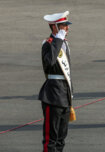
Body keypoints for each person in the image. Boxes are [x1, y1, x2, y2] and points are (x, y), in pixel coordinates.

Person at [39, 11, 73, 152]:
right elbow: (49, 62)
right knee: (50, 139)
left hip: (64, 95)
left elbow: (68, 73)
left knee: (61, 138)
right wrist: (58, 40)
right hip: (53, 95)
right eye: (64, 25)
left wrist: (70, 96)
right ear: (55, 27)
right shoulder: (48, 44)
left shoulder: (64, 44)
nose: (67, 28)